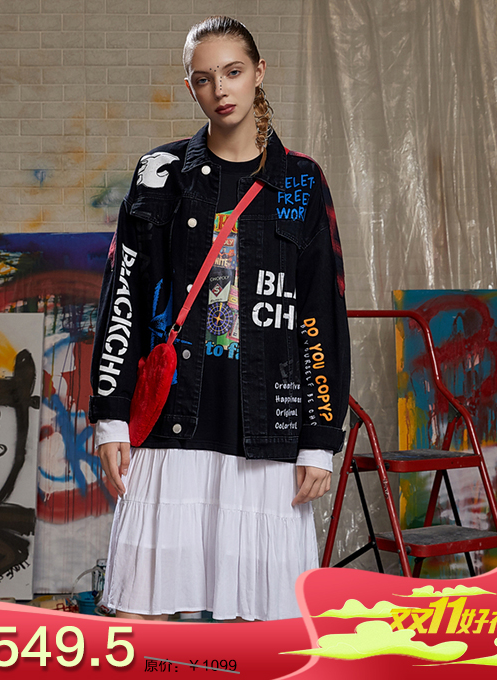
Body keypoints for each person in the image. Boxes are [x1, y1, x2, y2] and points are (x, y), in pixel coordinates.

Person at [89, 15, 350, 622]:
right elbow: (123, 296)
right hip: (172, 425)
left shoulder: (301, 181)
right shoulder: (159, 174)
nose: (220, 89)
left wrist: (320, 438)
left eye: (233, 72)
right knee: (145, 619)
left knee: (261, 627)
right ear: (191, 87)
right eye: (204, 79)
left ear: (259, 72)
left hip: (265, 429)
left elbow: (321, 313)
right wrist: (110, 416)